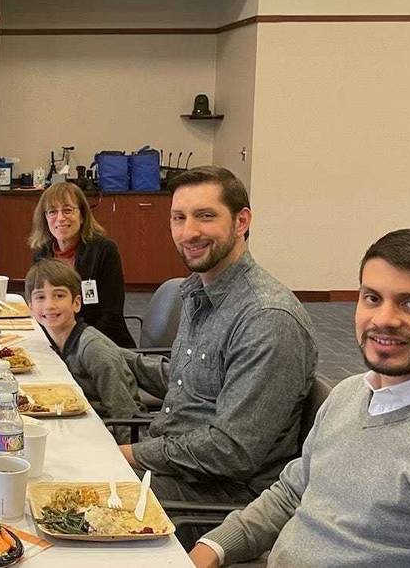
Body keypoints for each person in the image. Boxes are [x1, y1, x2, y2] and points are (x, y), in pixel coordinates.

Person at [190, 229, 410, 568]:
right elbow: (292, 492)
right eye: (372, 298)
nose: (383, 319)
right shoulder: (352, 393)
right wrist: (213, 547)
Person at [117, 166, 317, 503]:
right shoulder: (199, 292)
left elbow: (232, 451)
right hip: (175, 464)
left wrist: (131, 454)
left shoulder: (267, 319)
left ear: (241, 222)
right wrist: (111, 354)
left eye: (205, 216)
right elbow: (187, 384)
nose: (188, 232)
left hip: (215, 495)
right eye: (178, 218)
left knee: (66, 489)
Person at [25, 259, 141, 436]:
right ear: (30, 308)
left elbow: (124, 415)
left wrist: (126, 456)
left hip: (105, 429)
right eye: (41, 297)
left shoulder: (94, 350)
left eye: (59, 295)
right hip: (81, 419)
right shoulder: (54, 340)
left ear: (76, 303)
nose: (49, 305)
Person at [29, 181, 134, 347]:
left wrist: (73, 345)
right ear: (45, 218)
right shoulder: (42, 255)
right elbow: (40, 307)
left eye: (68, 210)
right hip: (58, 341)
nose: (60, 218)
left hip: (103, 345)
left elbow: (111, 316)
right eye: (52, 212)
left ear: (82, 215)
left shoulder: (104, 251)